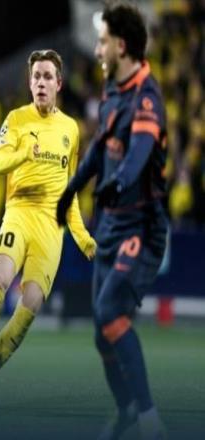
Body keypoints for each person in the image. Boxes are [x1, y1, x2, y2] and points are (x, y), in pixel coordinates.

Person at [56, 2, 168, 439]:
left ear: (120, 46)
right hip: (110, 224)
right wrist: (71, 188)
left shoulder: (146, 95)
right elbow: (102, 148)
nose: (97, 49)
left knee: (108, 311)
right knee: (102, 336)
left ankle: (150, 421)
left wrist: (117, 183)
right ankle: (126, 412)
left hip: (142, 225)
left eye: (102, 42)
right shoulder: (112, 91)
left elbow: (139, 153)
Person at [0, 49, 96, 408]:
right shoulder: (16, 119)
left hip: (51, 227)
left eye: (47, 76)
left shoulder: (71, 129)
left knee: (32, 304)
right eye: (36, 76)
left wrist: (83, 238)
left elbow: (70, 192)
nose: (40, 82)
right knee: (0, 278)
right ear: (30, 82)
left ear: (59, 83)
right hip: (20, 213)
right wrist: (23, 154)